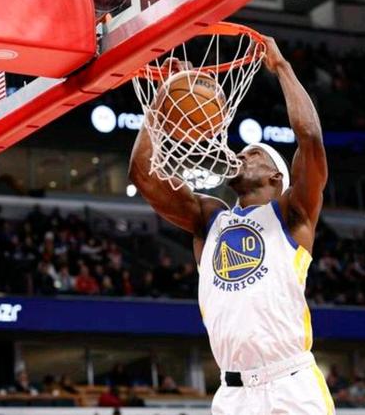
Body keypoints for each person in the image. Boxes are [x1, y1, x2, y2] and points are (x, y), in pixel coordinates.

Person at [129, 36, 333, 414]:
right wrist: (163, 100)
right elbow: (143, 176)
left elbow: (309, 138)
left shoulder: (292, 214)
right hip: (232, 393)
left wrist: (282, 68)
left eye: (253, 153)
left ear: (276, 177)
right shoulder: (210, 219)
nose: (241, 155)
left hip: (290, 384)